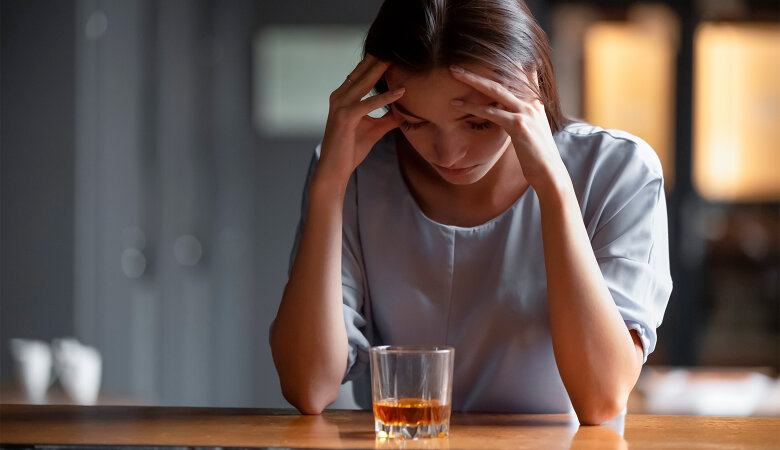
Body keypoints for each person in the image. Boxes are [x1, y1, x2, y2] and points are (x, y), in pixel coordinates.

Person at [270, 0, 672, 425]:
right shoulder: (355, 172)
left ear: (530, 82)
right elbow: (309, 387)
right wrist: (329, 184)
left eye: (478, 122)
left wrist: (553, 186)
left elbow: (601, 397)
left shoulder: (617, 170)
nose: (448, 154)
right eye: (414, 122)